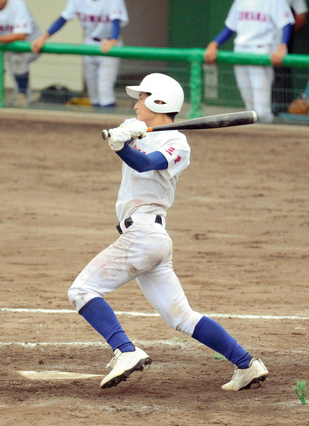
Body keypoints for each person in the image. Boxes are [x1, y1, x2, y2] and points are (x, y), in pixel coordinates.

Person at [67, 73, 268, 390]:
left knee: (81, 291)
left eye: (141, 98)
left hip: (144, 236)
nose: (135, 105)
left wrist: (122, 145)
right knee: (181, 317)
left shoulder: (178, 142)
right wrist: (126, 136)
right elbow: (128, 141)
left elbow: (146, 165)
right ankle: (247, 364)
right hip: (150, 241)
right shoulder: (139, 130)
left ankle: (125, 350)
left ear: (159, 101)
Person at [205, 0, 294, 123]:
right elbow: (230, 27)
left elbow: (286, 22)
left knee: (261, 107)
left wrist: (282, 47)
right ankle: (253, 141)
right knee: (249, 104)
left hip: (260, 51)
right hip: (240, 51)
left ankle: (268, 134)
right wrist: (215, 43)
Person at [31, 0, 128, 108]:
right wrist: (43, 37)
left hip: (109, 43)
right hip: (89, 43)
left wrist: (113, 40)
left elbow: (115, 20)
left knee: (104, 88)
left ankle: (108, 123)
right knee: (93, 90)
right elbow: (63, 19)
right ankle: (97, 123)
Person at [260, 0, 308, 113]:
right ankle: (259, 113)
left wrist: (285, 38)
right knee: (259, 79)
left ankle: (280, 113)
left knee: (281, 79)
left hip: (281, 45)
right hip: (257, 43)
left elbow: (301, 16)